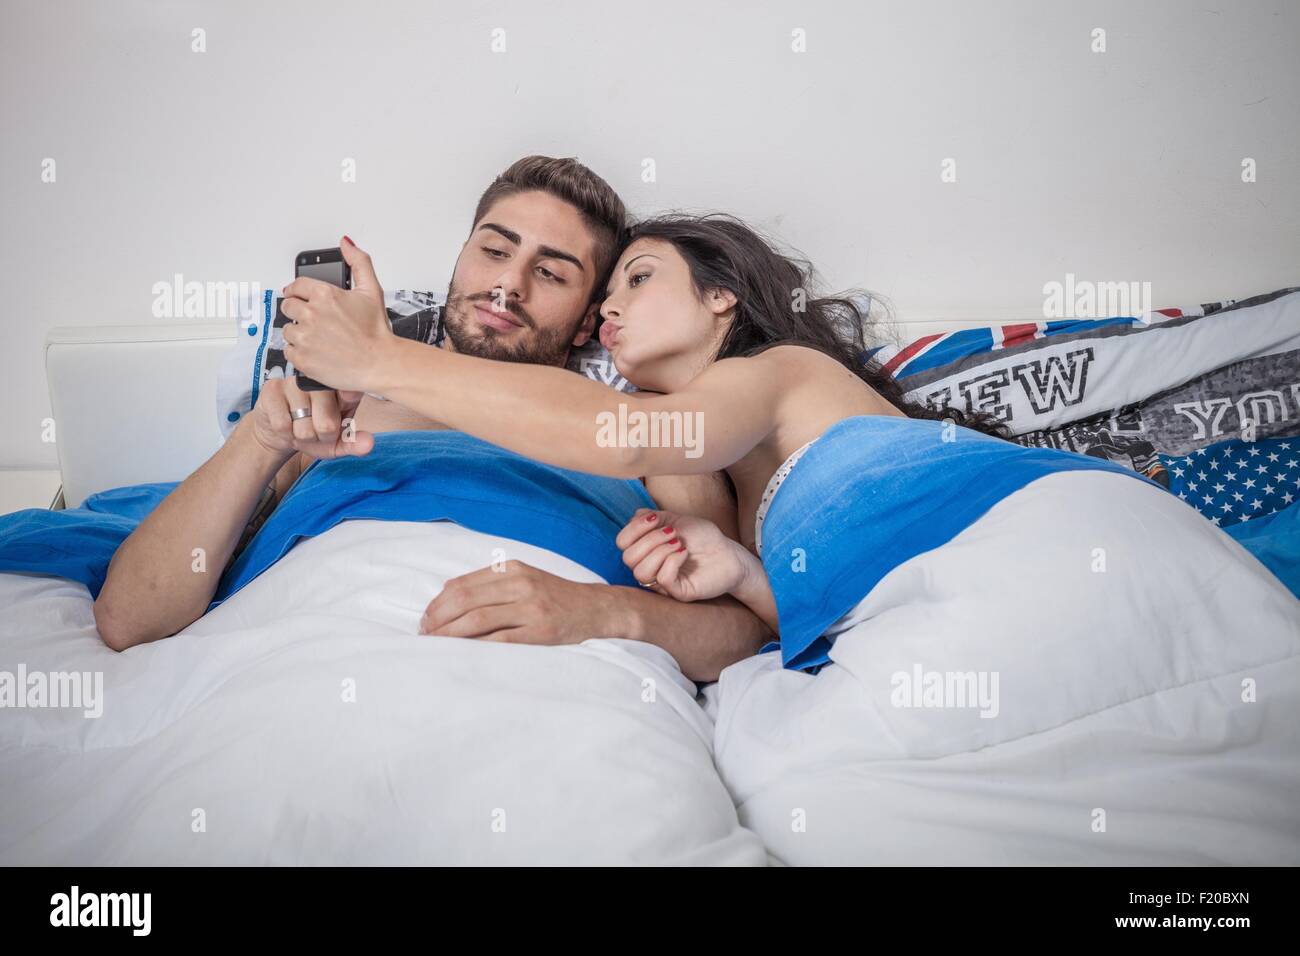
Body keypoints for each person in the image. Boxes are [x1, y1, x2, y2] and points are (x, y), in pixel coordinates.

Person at [285, 213, 1159, 671]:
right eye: (605, 297)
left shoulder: (778, 372)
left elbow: (625, 435)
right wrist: (742, 574)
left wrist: (382, 357)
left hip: (1050, 545)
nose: (607, 311)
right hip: (969, 620)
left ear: (720, 300)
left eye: (639, 277)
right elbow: (836, 624)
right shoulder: (732, 492)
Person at [93, 157, 772, 683]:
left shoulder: (644, 428)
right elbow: (127, 621)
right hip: (300, 651)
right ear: (460, 257)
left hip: (562, 674)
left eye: (553, 273)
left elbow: (740, 631)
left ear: (588, 321)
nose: (509, 286)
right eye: (495, 251)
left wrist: (601, 614)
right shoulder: (335, 413)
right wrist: (260, 440)